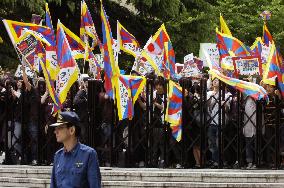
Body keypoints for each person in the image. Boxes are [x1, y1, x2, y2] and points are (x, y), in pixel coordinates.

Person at [50, 111, 101, 188]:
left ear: (71, 130)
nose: (55, 132)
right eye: (55, 128)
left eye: (60, 128)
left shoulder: (88, 154)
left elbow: (94, 185)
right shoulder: (58, 155)